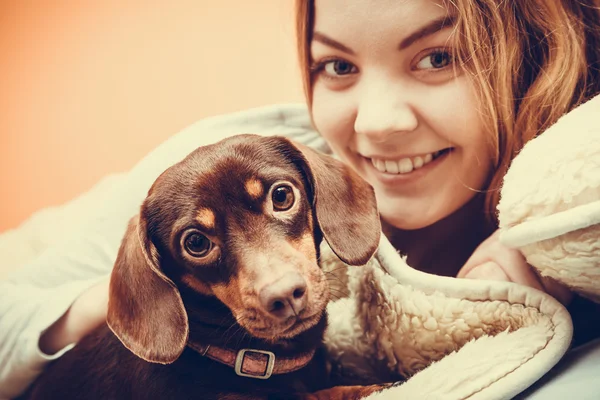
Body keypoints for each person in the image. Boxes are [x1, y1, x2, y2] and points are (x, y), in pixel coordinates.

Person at [1, 0, 599, 398]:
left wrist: (524, 229)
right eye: (337, 64)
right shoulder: (196, 174)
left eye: (438, 57)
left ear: (536, 56)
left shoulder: (574, 193)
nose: (377, 122)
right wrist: (138, 294)